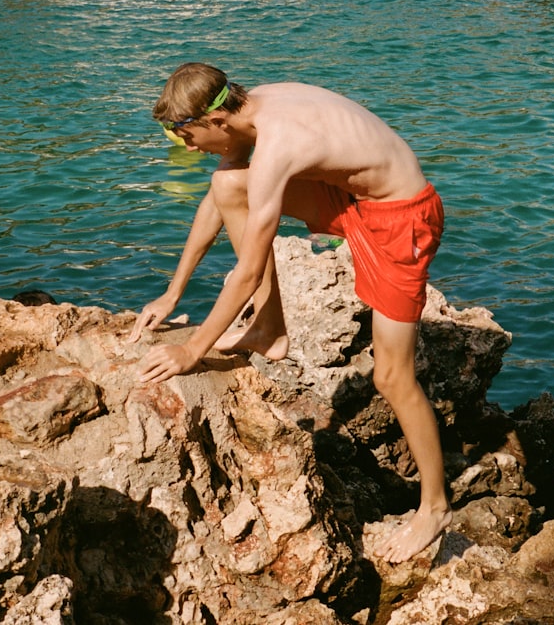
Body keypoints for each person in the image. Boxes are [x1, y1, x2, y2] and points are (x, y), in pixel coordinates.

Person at [127, 62, 451, 564]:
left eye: (188, 137)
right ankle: (268, 327)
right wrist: (173, 293)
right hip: (353, 199)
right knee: (230, 185)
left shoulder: (279, 142)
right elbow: (220, 198)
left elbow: (248, 269)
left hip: (401, 220)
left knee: (393, 377)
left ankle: (434, 508)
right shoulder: (245, 107)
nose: (188, 149)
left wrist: (194, 350)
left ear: (213, 121)